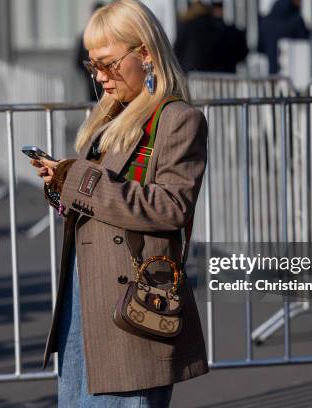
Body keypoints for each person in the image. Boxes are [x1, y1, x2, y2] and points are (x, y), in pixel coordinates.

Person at [30, 0, 209, 406]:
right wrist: (60, 185)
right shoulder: (112, 116)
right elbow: (103, 201)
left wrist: (76, 179)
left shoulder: (177, 118)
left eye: (108, 64)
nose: (101, 78)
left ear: (145, 53)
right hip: (84, 294)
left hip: (132, 303)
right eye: (93, 66)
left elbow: (170, 206)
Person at [174, 1, 247, 74]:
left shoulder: (186, 27)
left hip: (191, 74)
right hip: (217, 75)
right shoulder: (218, 28)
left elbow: (176, 53)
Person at [258, 0, 310, 74]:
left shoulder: (265, 22)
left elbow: (260, 48)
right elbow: (304, 45)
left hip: (271, 73)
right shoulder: (296, 21)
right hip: (293, 73)